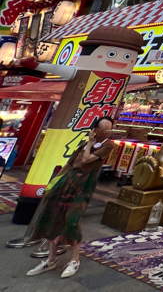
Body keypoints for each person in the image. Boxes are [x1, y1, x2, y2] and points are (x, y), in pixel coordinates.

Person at [27, 116, 116, 279]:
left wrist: (89, 143)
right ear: (95, 129)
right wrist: (54, 183)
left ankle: (74, 260)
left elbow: (87, 160)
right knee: (56, 217)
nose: (106, 132)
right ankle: (51, 259)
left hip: (83, 185)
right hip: (67, 181)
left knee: (72, 220)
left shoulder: (108, 145)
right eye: (103, 128)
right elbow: (69, 164)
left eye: (109, 129)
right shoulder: (83, 145)